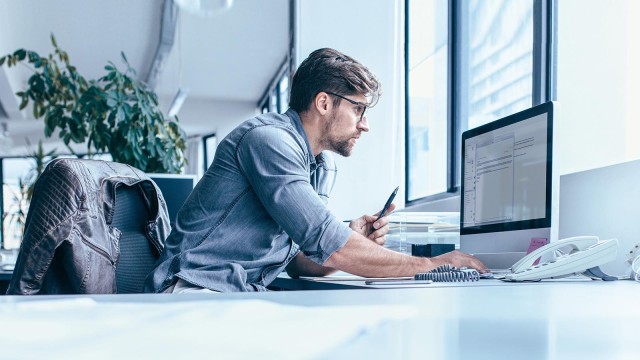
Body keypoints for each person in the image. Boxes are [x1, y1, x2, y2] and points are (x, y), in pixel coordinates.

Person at [144, 48, 485, 293]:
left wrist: (352, 236)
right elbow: (330, 244)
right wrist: (431, 266)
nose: (365, 125)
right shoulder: (268, 141)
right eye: (359, 109)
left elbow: (299, 263)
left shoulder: (320, 165)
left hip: (238, 294)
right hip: (193, 289)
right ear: (324, 103)